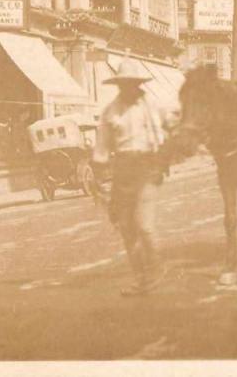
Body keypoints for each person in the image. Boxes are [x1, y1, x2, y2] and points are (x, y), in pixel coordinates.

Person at [93, 59, 168, 297]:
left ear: (138, 85)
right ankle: (141, 278)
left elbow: (172, 128)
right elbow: (102, 147)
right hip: (123, 170)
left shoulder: (154, 106)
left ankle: (156, 270)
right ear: (118, 85)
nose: (128, 88)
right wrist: (101, 178)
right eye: (124, 84)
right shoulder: (111, 112)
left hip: (148, 166)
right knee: (127, 229)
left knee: (145, 225)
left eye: (132, 84)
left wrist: (168, 153)